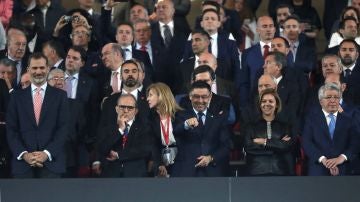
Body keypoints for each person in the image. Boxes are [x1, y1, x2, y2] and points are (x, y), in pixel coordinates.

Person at [6, 52, 69, 178]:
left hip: (52, 163)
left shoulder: (60, 96)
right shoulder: (16, 97)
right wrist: (24, 154)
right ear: (28, 70)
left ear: (47, 68)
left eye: (41, 68)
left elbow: (63, 128)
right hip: (23, 165)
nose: (38, 71)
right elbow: (11, 130)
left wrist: (46, 153)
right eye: (34, 68)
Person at [172, 81, 232, 177]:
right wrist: (186, 124)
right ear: (190, 97)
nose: (200, 100)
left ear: (209, 97)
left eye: (204, 97)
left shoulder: (218, 118)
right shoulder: (180, 115)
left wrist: (211, 158)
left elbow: (226, 146)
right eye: (196, 96)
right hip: (186, 172)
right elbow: (175, 131)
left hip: (212, 172)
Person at [303, 83, 359, 176]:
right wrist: (323, 159)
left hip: (344, 168)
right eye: (328, 97)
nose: (333, 100)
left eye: (336, 97)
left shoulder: (349, 119)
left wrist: (342, 158)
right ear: (321, 101)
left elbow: (355, 143)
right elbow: (307, 142)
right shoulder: (311, 119)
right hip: (318, 168)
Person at [97, 94, 152, 177]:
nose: (126, 110)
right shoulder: (107, 127)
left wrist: (119, 155)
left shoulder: (144, 128)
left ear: (136, 111)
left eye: (130, 108)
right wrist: (120, 130)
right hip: (111, 176)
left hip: (135, 176)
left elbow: (144, 149)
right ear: (116, 109)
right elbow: (102, 148)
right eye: (122, 107)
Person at [244, 88, 295, 176]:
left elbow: (286, 147)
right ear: (260, 105)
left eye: (270, 101)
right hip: (256, 171)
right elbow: (248, 148)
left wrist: (264, 142)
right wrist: (277, 146)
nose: (267, 104)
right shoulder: (251, 127)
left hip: (279, 171)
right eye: (263, 101)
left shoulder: (285, 126)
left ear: (277, 105)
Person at [146, 82, 182, 177]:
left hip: (181, 160)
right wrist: (159, 164)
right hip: (161, 160)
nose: (147, 99)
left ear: (161, 95)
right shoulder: (150, 118)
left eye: (150, 95)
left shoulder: (180, 115)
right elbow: (153, 144)